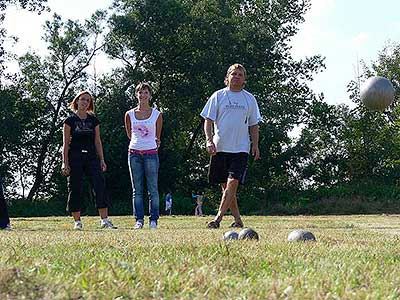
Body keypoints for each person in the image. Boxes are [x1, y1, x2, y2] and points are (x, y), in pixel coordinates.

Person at [200, 63, 261, 229]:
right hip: (220, 148)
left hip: (241, 149)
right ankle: (238, 220)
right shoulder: (218, 96)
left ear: (244, 80)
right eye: (234, 74)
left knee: (232, 183)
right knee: (226, 187)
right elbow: (208, 120)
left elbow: (254, 125)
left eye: (240, 74)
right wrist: (209, 140)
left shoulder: (249, 99)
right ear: (227, 78)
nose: (237, 77)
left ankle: (217, 219)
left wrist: (255, 144)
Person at [62, 91, 116, 230]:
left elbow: (97, 141)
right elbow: (66, 143)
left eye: (88, 100)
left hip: (92, 157)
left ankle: (104, 220)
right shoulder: (69, 121)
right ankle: (77, 222)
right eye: (83, 99)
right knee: (76, 187)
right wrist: (65, 162)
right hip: (75, 157)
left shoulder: (94, 121)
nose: (85, 102)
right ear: (77, 101)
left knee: (99, 185)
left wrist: (102, 159)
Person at [125, 82, 163, 229]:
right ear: (136, 95)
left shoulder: (157, 114)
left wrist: (152, 144)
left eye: (146, 92)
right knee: (137, 189)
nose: (143, 95)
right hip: (134, 153)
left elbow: (157, 136)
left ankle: (153, 220)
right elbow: (130, 134)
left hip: (151, 154)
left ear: (150, 95)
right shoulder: (129, 114)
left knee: (153, 188)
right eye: (140, 92)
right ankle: (139, 220)